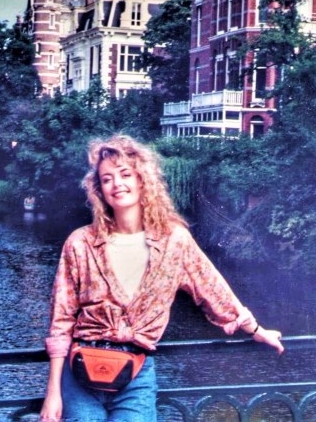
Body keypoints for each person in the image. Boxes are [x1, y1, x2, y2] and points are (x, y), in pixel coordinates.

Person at [39, 134, 284, 422]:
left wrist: (256, 330)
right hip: (80, 375)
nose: (117, 184)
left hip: (136, 375)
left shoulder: (173, 240)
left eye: (125, 174)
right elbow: (61, 319)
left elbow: (212, 288)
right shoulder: (80, 243)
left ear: (142, 179)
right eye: (107, 179)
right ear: (99, 190)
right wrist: (53, 393)